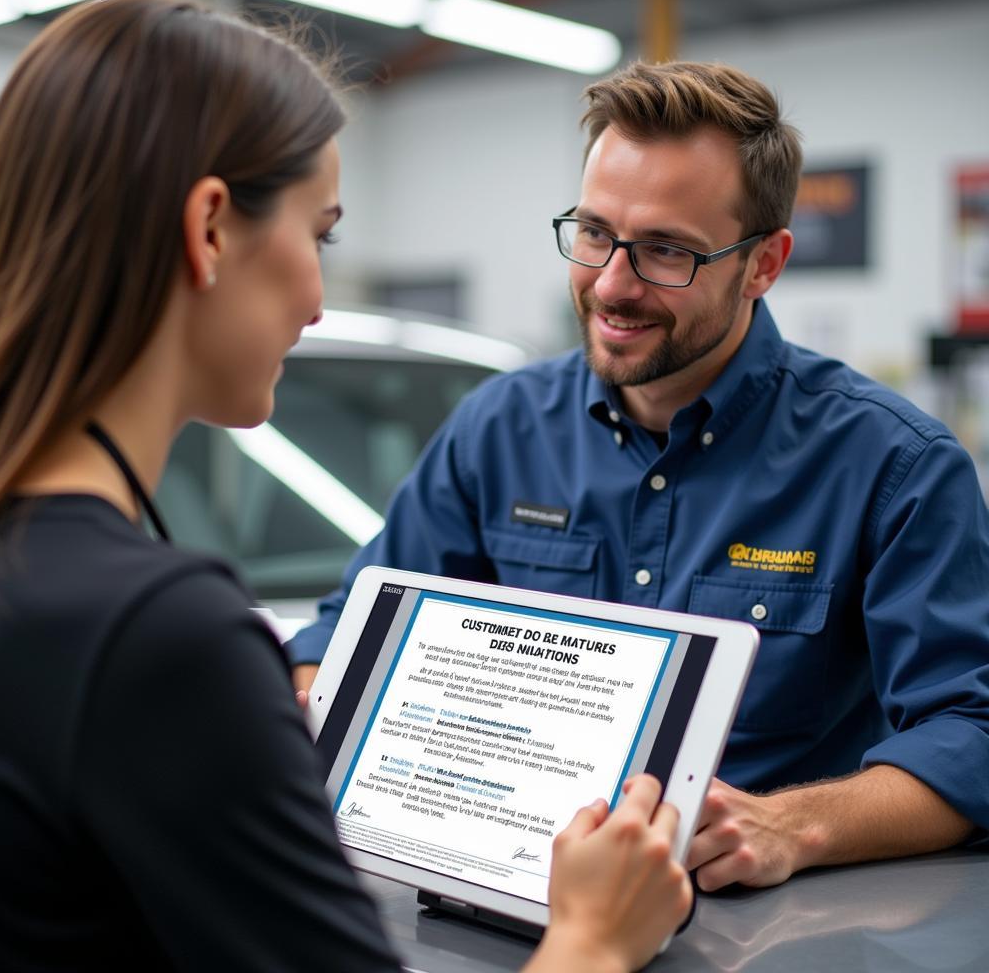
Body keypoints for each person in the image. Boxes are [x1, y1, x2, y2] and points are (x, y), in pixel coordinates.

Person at [0, 0, 692, 972]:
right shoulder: (158, 638)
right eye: (322, 234)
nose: (315, 296)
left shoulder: (10, 563)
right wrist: (594, 937)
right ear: (211, 228)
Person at [289, 59, 989, 892]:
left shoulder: (892, 466)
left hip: (761, 931)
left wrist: (794, 826)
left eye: (666, 251)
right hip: (495, 900)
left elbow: (972, 731)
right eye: (594, 233)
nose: (611, 285)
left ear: (763, 264)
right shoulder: (498, 430)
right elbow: (343, 642)